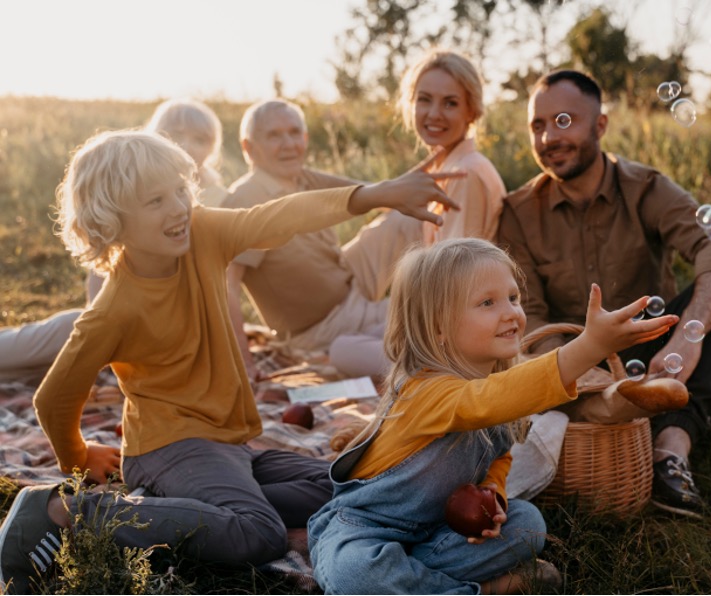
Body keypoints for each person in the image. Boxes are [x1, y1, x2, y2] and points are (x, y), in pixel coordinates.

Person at [0, 130, 459, 594]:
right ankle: (66, 512)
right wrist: (77, 458)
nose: (178, 207)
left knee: (351, 485)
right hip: (168, 447)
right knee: (258, 533)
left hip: (229, 444)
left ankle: (197, 503)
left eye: (180, 190)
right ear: (112, 220)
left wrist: (372, 195)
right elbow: (54, 397)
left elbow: (274, 218)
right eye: (155, 200)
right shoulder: (111, 311)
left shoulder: (201, 233)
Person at [307, 238, 678, 594]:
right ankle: (488, 589)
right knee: (358, 574)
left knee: (528, 524)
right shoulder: (425, 391)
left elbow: (498, 459)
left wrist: (493, 498)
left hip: (442, 532)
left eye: (513, 298)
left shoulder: (497, 387)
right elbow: (488, 400)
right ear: (438, 326)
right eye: (487, 302)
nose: (512, 313)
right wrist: (589, 347)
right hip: (367, 529)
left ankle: (413, 578)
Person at [496, 70, 711, 518]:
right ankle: (691, 410)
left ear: (600, 125)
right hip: (572, 362)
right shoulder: (517, 214)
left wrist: (687, 338)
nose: (547, 137)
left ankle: (669, 452)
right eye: (537, 126)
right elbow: (530, 315)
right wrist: (579, 371)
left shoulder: (646, 188)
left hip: (653, 352)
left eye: (563, 121)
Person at [0, 99, 227, 383]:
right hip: (121, 312)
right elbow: (105, 260)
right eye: (176, 134)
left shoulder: (219, 198)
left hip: (175, 318)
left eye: (201, 139)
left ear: (213, 148)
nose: (188, 145)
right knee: (62, 334)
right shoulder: (131, 189)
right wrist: (104, 319)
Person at [329, 48, 507, 378]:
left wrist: (417, 333)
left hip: (459, 338)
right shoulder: (450, 166)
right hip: (445, 321)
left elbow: (456, 283)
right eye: (425, 100)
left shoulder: (465, 174)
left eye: (450, 103)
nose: (434, 113)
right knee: (347, 341)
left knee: (342, 350)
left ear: (472, 112)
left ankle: (431, 376)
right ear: (411, 105)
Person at [222, 99, 423, 382]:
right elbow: (227, 284)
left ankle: (455, 280)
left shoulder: (302, 177)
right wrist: (244, 364)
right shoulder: (246, 199)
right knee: (430, 321)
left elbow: (372, 193)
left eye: (294, 133)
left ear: (305, 138)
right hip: (323, 329)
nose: (288, 144)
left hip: (350, 283)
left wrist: (421, 181)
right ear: (249, 148)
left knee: (407, 220)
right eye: (274, 135)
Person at [145, 97, 228, 207]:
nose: (187, 147)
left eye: (199, 140)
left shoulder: (221, 197)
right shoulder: (142, 184)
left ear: (212, 148)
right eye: (177, 135)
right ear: (157, 137)